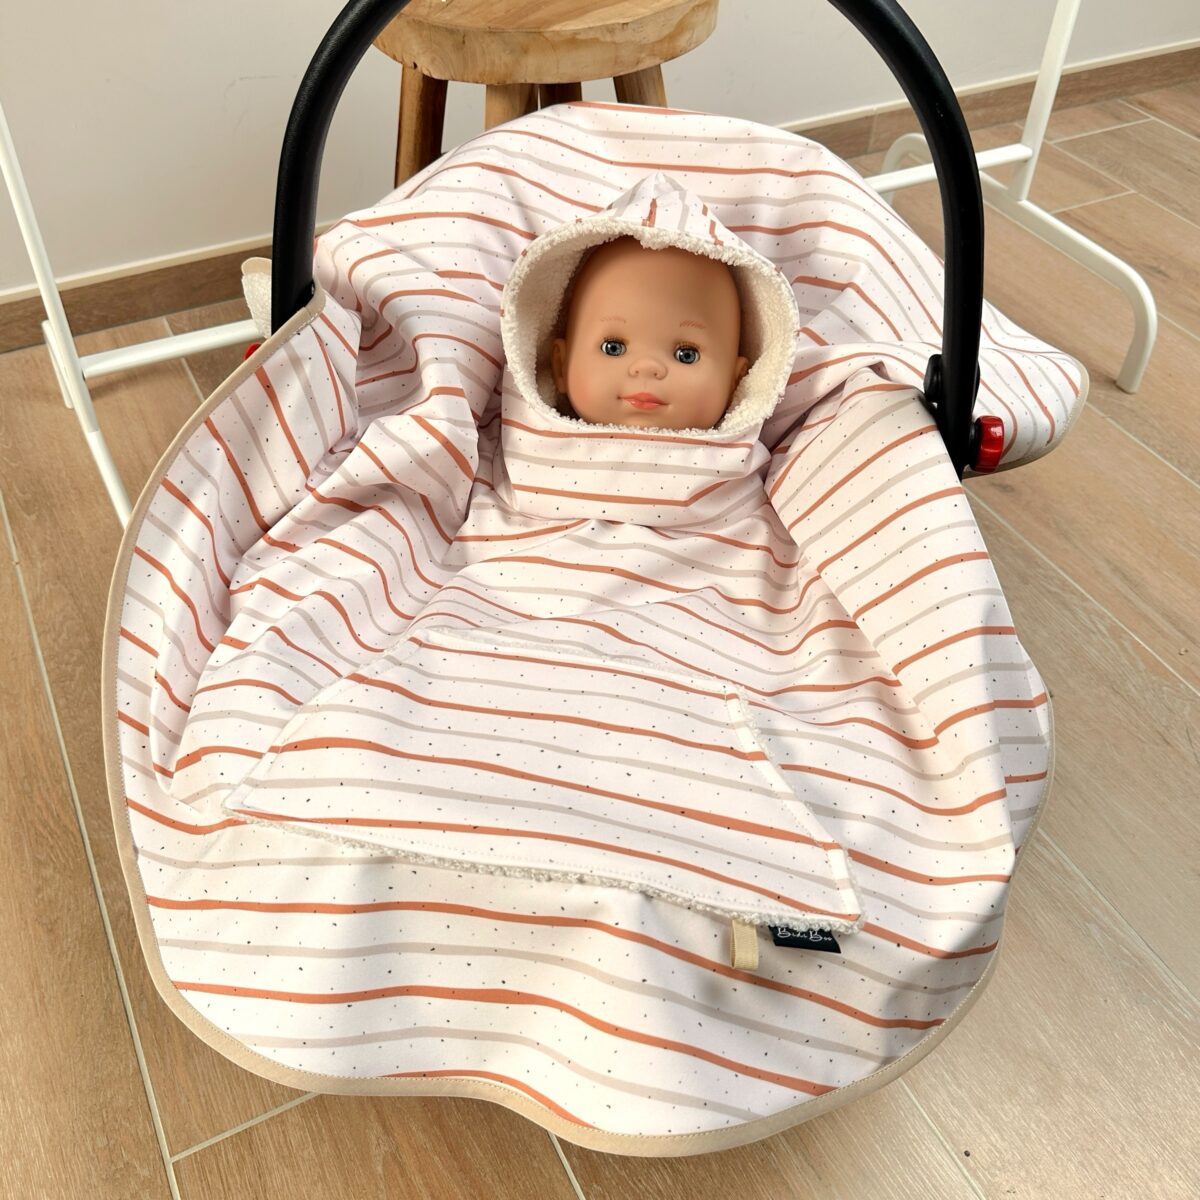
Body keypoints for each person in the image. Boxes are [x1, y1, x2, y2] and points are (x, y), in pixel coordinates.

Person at [549, 236, 750, 432]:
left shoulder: (745, 452)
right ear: (561, 366)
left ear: (735, 384)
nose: (647, 367)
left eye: (686, 355)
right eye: (613, 348)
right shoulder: (540, 442)